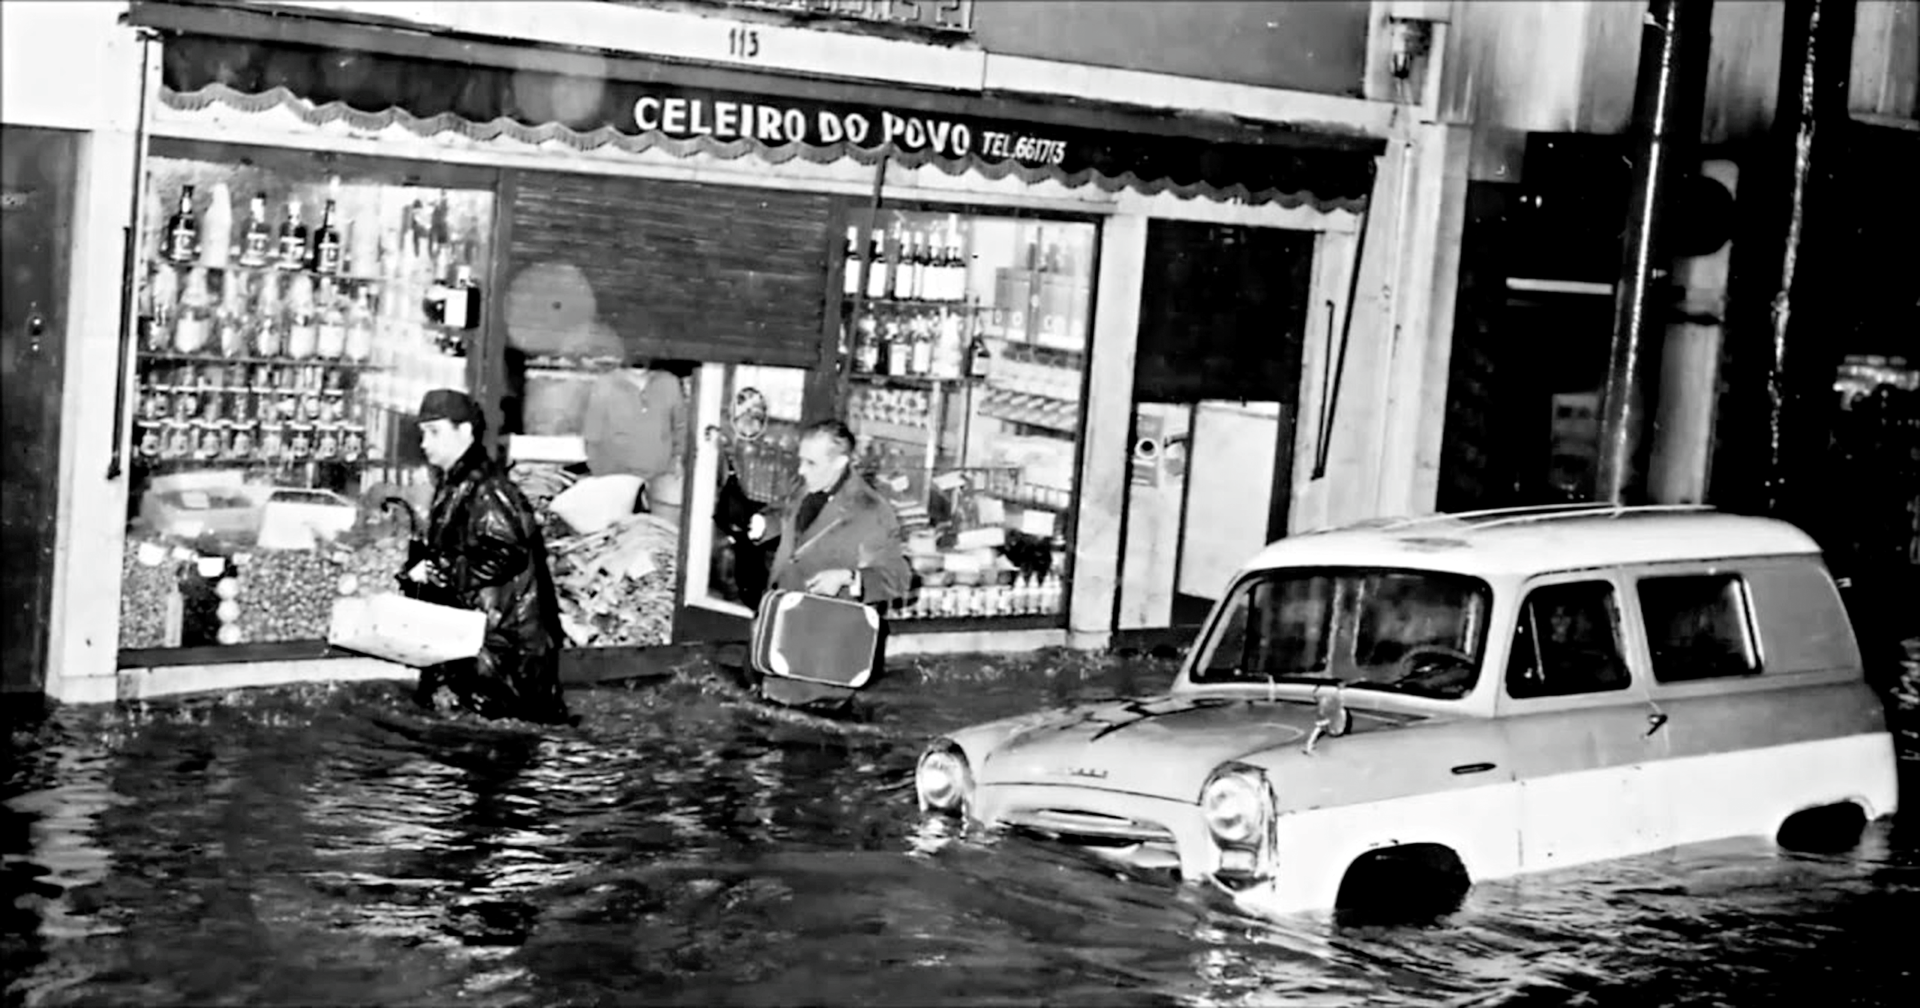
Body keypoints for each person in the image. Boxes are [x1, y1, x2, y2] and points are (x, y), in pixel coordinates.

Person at [403, 389, 572, 725]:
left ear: (464, 431)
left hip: (507, 646)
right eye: (423, 433)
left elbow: (504, 553)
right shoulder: (460, 483)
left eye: (434, 432)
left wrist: (440, 570)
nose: (424, 443)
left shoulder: (486, 487)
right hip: (491, 639)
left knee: (502, 744)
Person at [748, 419, 912, 711]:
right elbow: (789, 514)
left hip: (821, 669)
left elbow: (898, 578)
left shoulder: (869, 511)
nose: (801, 470)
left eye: (811, 463)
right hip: (777, 646)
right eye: (800, 460)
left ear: (840, 463)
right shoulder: (808, 484)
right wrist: (766, 524)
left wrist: (850, 578)